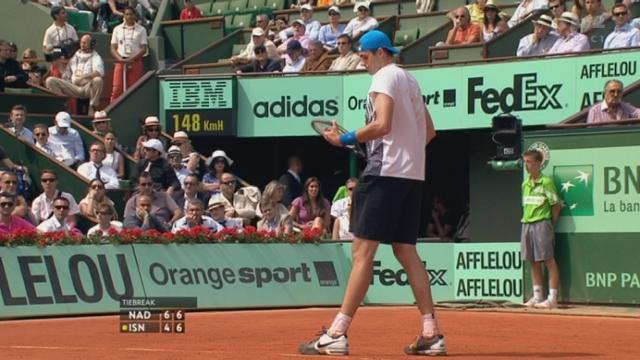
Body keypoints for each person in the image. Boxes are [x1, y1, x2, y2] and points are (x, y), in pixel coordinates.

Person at [298, 30, 442, 356]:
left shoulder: (384, 77)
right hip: (411, 176)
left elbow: (383, 125)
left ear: (379, 52)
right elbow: (429, 133)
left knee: (362, 253)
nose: (362, 62)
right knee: (406, 252)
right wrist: (397, 153)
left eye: (364, 57)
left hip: (384, 176)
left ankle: (336, 333)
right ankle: (430, 332)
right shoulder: (411, 80)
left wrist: (346, 138)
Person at [521, 150, 562, 309]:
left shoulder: (546, 182)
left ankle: (552, 298)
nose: (527, 165)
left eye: (529, 162)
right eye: (525, 162)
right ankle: (537, 296)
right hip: (527, 224)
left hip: (542, 224)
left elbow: (556, 206)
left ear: (538, 163)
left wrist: (550, 224)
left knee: (548, 261)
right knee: (533, 261)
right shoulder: (525, 184)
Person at [45, 34, 104, 116]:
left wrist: (83, 77)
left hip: (87, 88)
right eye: (81, 42)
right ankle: (63, 107)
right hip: (74, 86)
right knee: (50, 81)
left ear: (91, 45)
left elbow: (99, 72)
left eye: (85, 43)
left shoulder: (96, 57)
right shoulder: (74, 56)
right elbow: (65, 76)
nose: (82, 45)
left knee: (98, 80)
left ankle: (92, 106)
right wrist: (59, 65)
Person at [110, 6, 148, 102]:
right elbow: (113, 48)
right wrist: (121, 59)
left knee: (134, 89)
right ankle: (112, 112)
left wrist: (131, 59)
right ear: (124, 15)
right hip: (120, 61)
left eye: (131, 14)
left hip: (135, 61)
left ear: (135, 15)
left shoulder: (142, 29)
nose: (129, 16)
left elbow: (144, 49)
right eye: (127, 14)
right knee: (116, 89)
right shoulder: (117, 29)